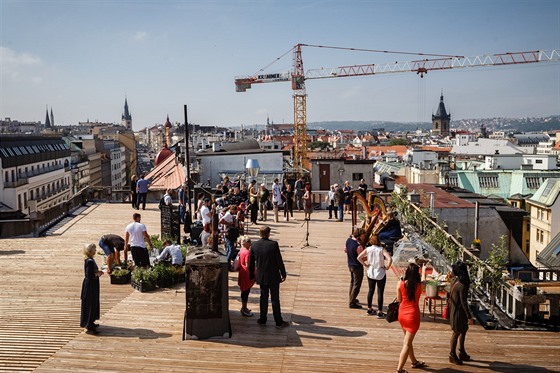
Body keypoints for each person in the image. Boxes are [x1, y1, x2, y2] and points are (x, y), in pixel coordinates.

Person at [248, 225, 289, 328]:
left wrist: (251, 275)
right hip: (273, 275)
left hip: (261, 276)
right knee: (275, 299)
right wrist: (283, 273)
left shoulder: (254, 245)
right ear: (268, 233)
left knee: (263, 298)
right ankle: (278, 322)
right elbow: (279, 261)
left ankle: (262, 319)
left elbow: (251, 263)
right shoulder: (273, 245)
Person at [396, 263, 425, 373]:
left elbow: (399, 300)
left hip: (402, 314)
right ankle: (399, 369)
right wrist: (424, 271)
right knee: (407, 343)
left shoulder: (400, 284)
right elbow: (424, 282)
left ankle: (414, 361)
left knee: (407, 340)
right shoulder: (420, 286)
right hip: (413, 316)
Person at [357, 235, 393, 318]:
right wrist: (387, 267)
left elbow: (359, 257)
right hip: (380, 272)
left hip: (370, 271)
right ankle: (380, 312)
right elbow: (390, 259)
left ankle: (369, 309)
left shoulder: (368, 249)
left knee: (370, 290)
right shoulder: (381, 249)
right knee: (380, 292)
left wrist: (365, 265)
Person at [449, 261, 474, 365]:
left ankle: (461, 351)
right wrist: (470, 317)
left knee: (463, 330)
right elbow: (464, 303)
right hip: (458, 313)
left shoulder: (454, 281)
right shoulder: (462, 285)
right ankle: (452, 354)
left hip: (455, 311)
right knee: (457, 332)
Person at [80, 243, 103, 335]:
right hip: (90, 285)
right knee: (90, 303)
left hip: (92, 284)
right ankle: (89, 325)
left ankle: (91, 322)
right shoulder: (89, 261)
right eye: (94, 249)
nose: (95, 250)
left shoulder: (89, 260)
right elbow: (89, 275)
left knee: (93, 303)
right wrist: (98, 273)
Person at [344, 228, 366, 309]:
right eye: (363, 236)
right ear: (359, 236)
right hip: (357, 266)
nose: (364, 237)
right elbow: (361, 258)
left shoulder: (348, 240)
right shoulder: (358, 246)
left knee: (352, 282)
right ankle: (352, 302)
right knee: (357, 284)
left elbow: (345, 250)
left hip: (350, 264)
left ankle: (351, 298)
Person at [237, 235, 255, 317]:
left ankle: (244, 307)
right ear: (246, 243)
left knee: (244, 291)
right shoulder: (247, 252)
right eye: (249, 242)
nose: (251, 243)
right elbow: (248, 265)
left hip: (242, 272)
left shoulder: (242, 250)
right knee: (246, 292)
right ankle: (244, 309)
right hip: (246, 274)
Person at [219, 205, 239, 269]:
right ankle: (227, 264)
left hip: (230, 234)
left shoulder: (230, 214)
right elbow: (221, 221)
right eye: (235, 211)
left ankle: (227, 263)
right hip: (228, 234)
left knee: (229, 249)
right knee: (231, 249)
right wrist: (229, 224)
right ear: (232, 210)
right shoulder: (228, 214)